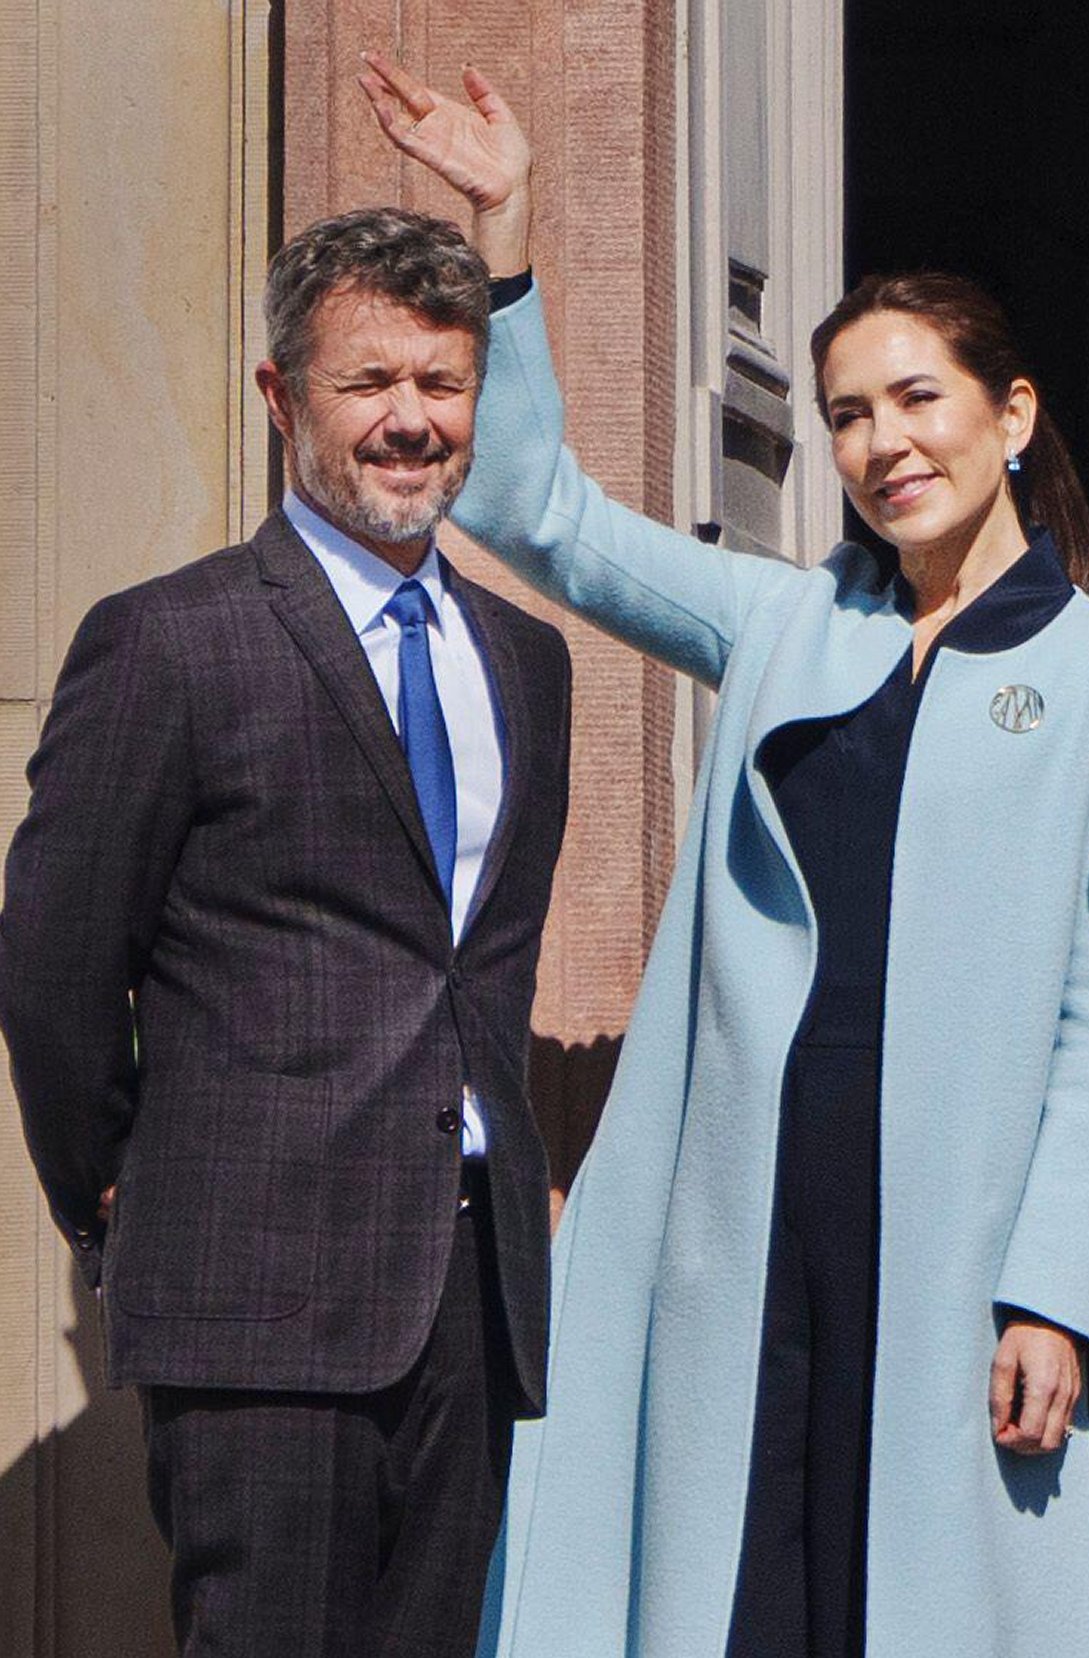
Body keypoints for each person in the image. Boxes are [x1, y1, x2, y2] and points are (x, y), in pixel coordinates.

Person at [358, 61, 1089, 1658]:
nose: (882, 445)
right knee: (737, 1584)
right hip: (743, 1198)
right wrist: (510, 234)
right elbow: (540, 515)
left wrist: (1058, 1288)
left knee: (913, 1597)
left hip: (953, 1221)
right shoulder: (787, 623)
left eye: (917, 399)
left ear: (1011, 415)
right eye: (848, 418)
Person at [0, 206, 572, 1658]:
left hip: (469, 1299)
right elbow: (57, 969)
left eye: (441, 386)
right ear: (280, 397)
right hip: (253, 1289)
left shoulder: (528, 664)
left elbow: (475, 979)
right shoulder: (169, 643)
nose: (408, 422)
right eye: (367, 382)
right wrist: (117, 1193)